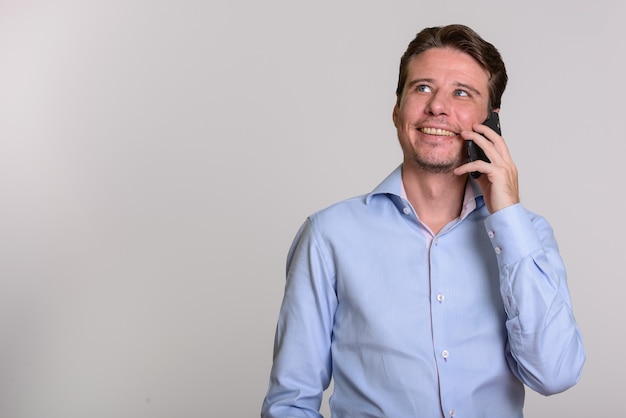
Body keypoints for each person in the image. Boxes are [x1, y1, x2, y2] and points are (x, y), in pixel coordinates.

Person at [261, 24, 585, 417]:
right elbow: (291, 402)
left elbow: (554, 374)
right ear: (397, 109)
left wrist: (508, 215)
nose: (437, 107)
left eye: (462, 93)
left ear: (491, 121)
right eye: (422, 88)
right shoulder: (328, 235)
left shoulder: (528, 235)